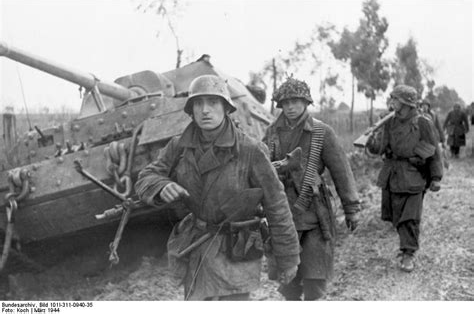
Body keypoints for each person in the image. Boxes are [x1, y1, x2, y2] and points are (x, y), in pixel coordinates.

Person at [135, 75, 300, 300]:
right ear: (191, 110)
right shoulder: (179, 146)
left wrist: (288, 258)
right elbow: (146, 176)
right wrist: (161, 185)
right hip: (196, 248)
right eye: (198, 104)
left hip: (235, 253)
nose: (205, 110)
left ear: (226, 108)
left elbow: (277, 205)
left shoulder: (250, 150)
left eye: (213, 103)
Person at [263, 77, 361, 300]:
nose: (290, 107)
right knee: (287, 279)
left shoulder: (321, 132)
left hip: (315, 213)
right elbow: (259, 168)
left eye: (296, 101)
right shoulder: (271, 133)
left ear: (306, 102)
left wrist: (352, 207)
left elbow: (341, 172)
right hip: (282, 213)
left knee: (315, 276)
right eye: (285, 102)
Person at [367, 85, 443, 272]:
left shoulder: (423, 123)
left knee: (410, 217)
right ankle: (406, 246)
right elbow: (380, 148)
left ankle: (408, 253)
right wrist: (371, 142)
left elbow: (433, 151)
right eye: (392, 99)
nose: (392, 103)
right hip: (393, 174)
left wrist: (436, 177)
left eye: (396, 100)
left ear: (407, 104)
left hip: (414, 176)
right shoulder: (389, 122)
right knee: (397, 216)